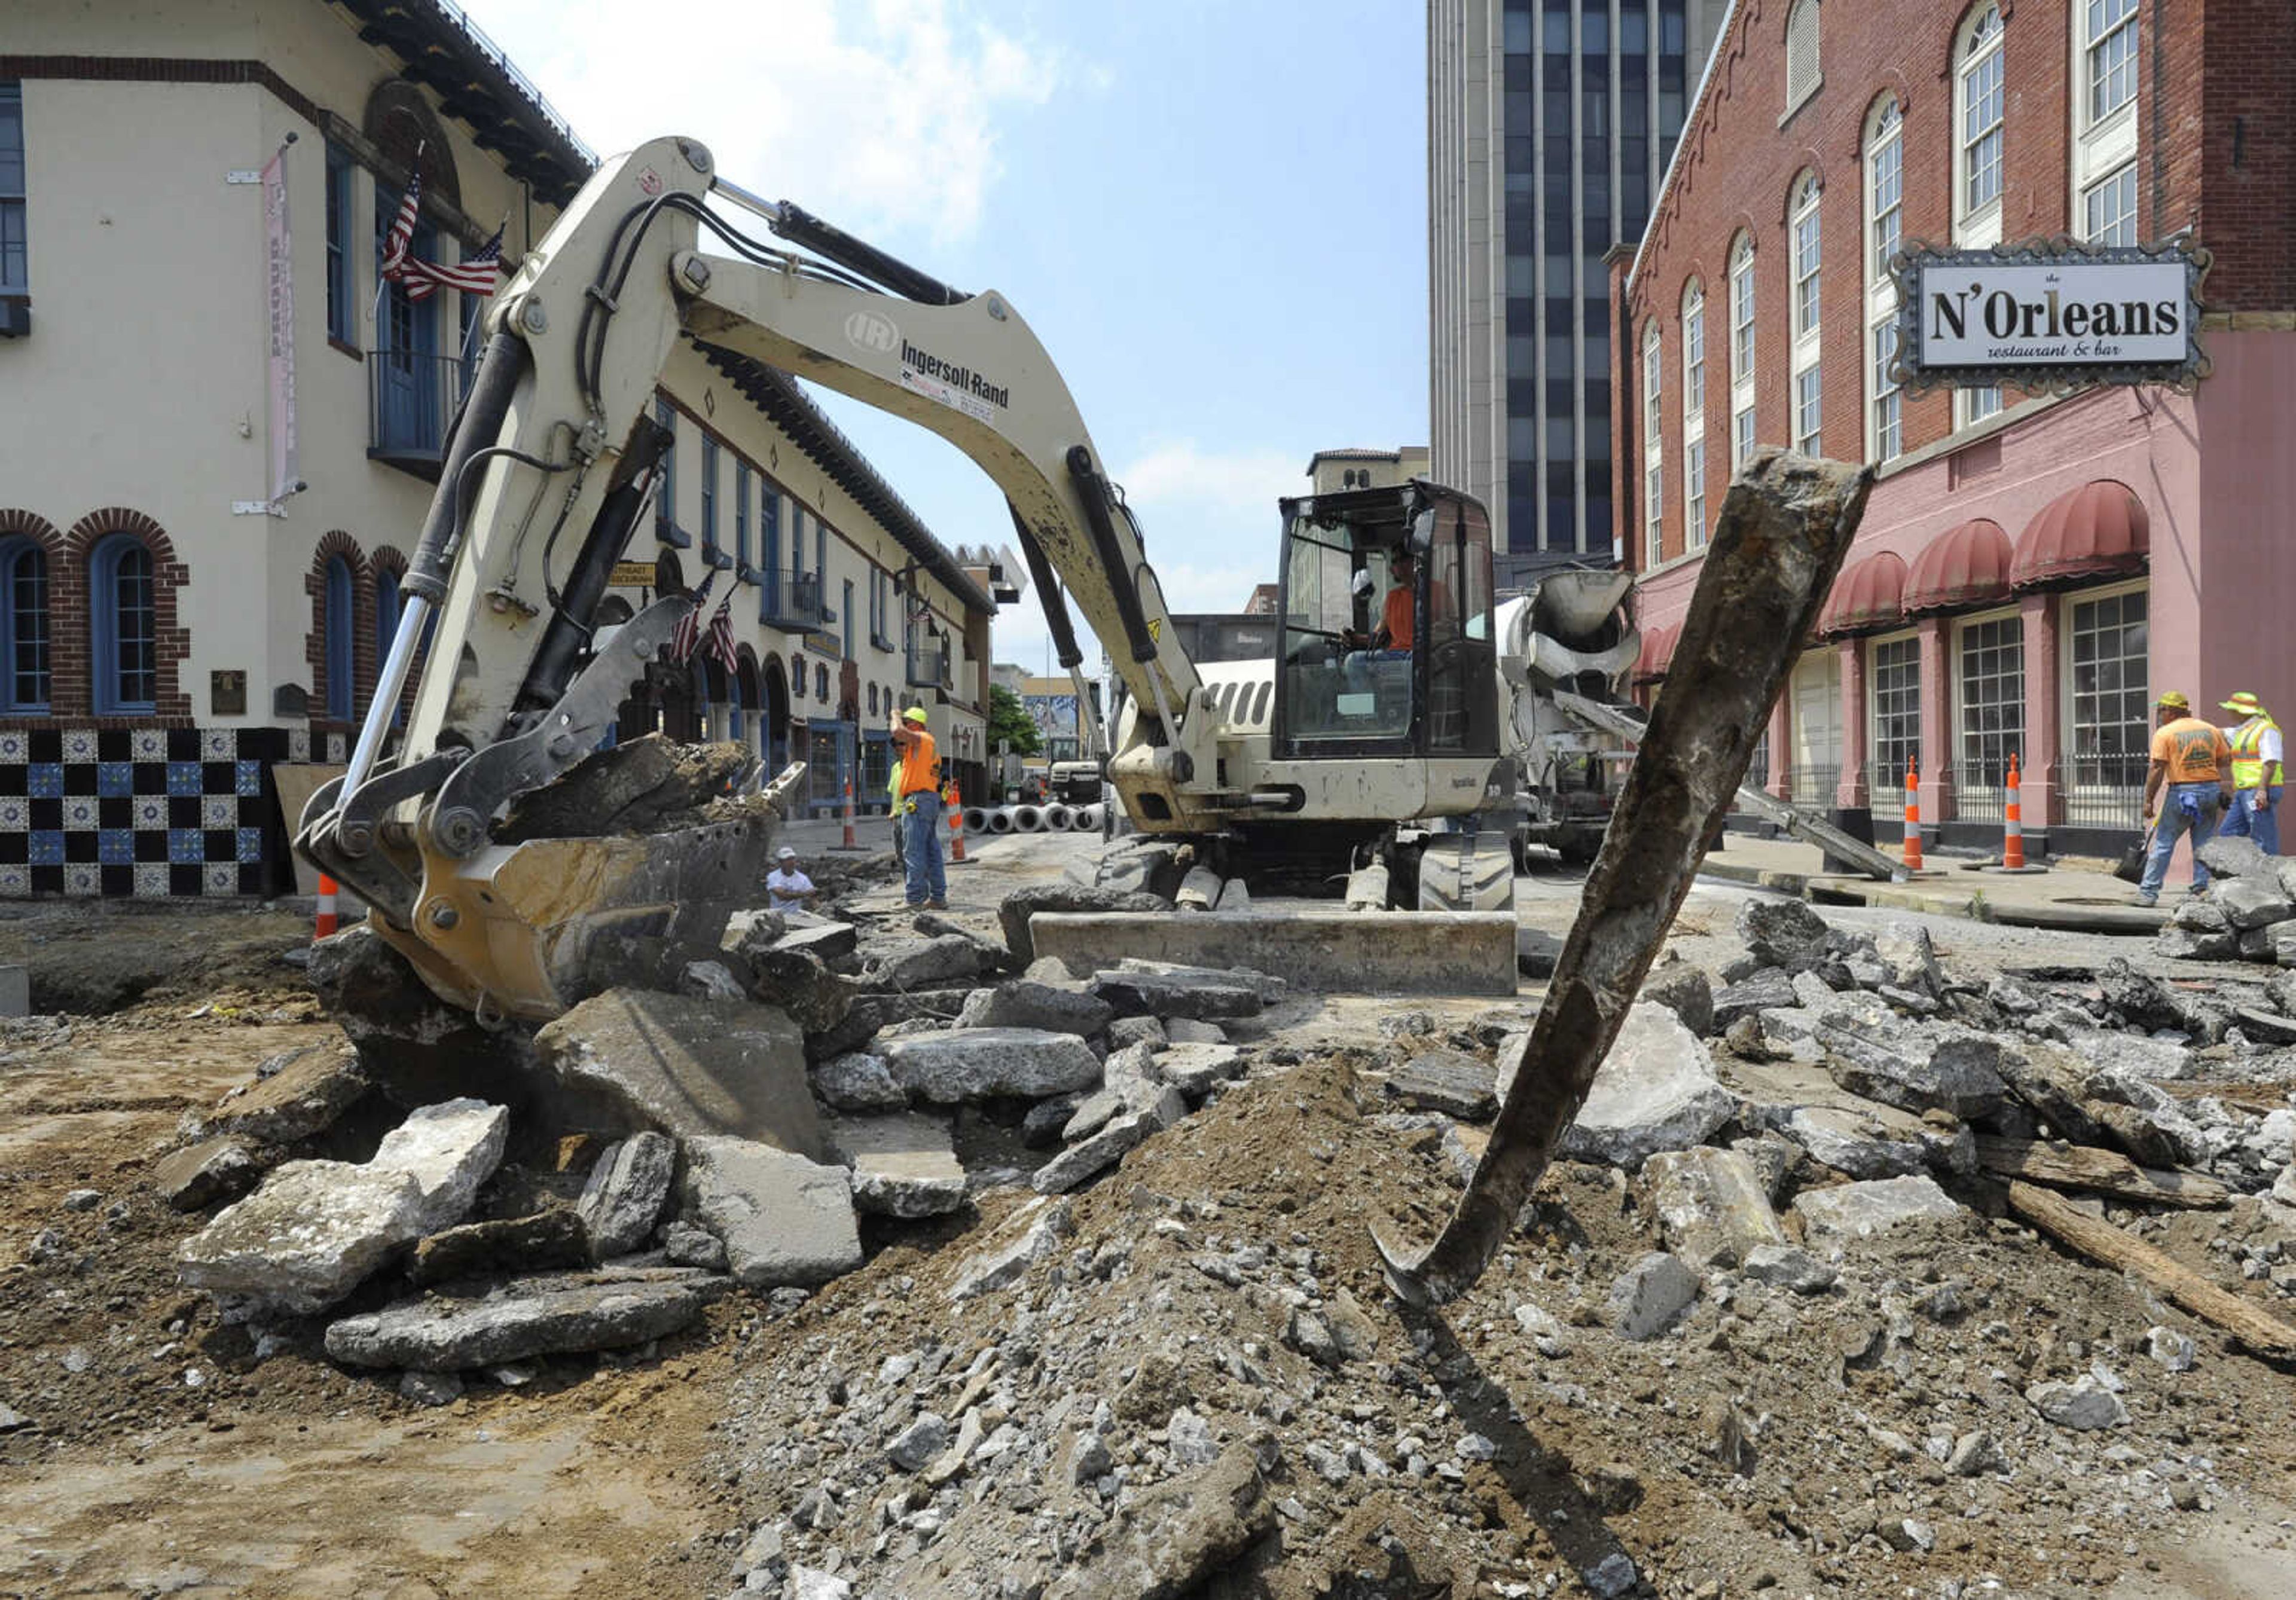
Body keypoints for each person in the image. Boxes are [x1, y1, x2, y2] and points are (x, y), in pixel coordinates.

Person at [2136, 690, 2233, 908]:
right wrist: (2200, 765)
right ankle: (2201, 890)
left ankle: (2148, 893)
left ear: (2170, 711)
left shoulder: (2165, 733)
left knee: (2164, 843)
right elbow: (2226, 759)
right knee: (2203, 843)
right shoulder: (2209, 729)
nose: (2159, 715)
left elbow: (2156, 768)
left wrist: (2149, 800)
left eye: (2160, 711)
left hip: (2182, 793)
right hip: (2210, 792)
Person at [890, 704, 947, 910]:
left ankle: (914, 899)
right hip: (929, 800)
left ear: (914, 724)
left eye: (907, 723)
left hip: (919, 801)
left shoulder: (922, 739)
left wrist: (895, 715)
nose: (903, 727)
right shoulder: (926, 746)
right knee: (932, 851)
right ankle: (938, 897)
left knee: (913, 851)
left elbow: (897, 732)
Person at [2216, 690, 2283, 856]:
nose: (2229, 712)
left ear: (2240, 712)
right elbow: (2222, 732)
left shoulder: (2266, 730)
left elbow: (2271, 761)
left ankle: (2269, 878)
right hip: (2244, 792)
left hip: (2259, 791)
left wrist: (2262, 790)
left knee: (2263, 837)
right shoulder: (2244, 731)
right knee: (2228, 833)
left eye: (2231, 709)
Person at [765, 845, 818, 914]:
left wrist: (817, 906)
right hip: (777, 915)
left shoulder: (803, 878)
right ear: (780, 862)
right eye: (788, 859)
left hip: (795, 915)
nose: (791, 862)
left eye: (793, 859)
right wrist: (805, 894)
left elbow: (813, 896)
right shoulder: (773, 876)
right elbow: (782, 896)